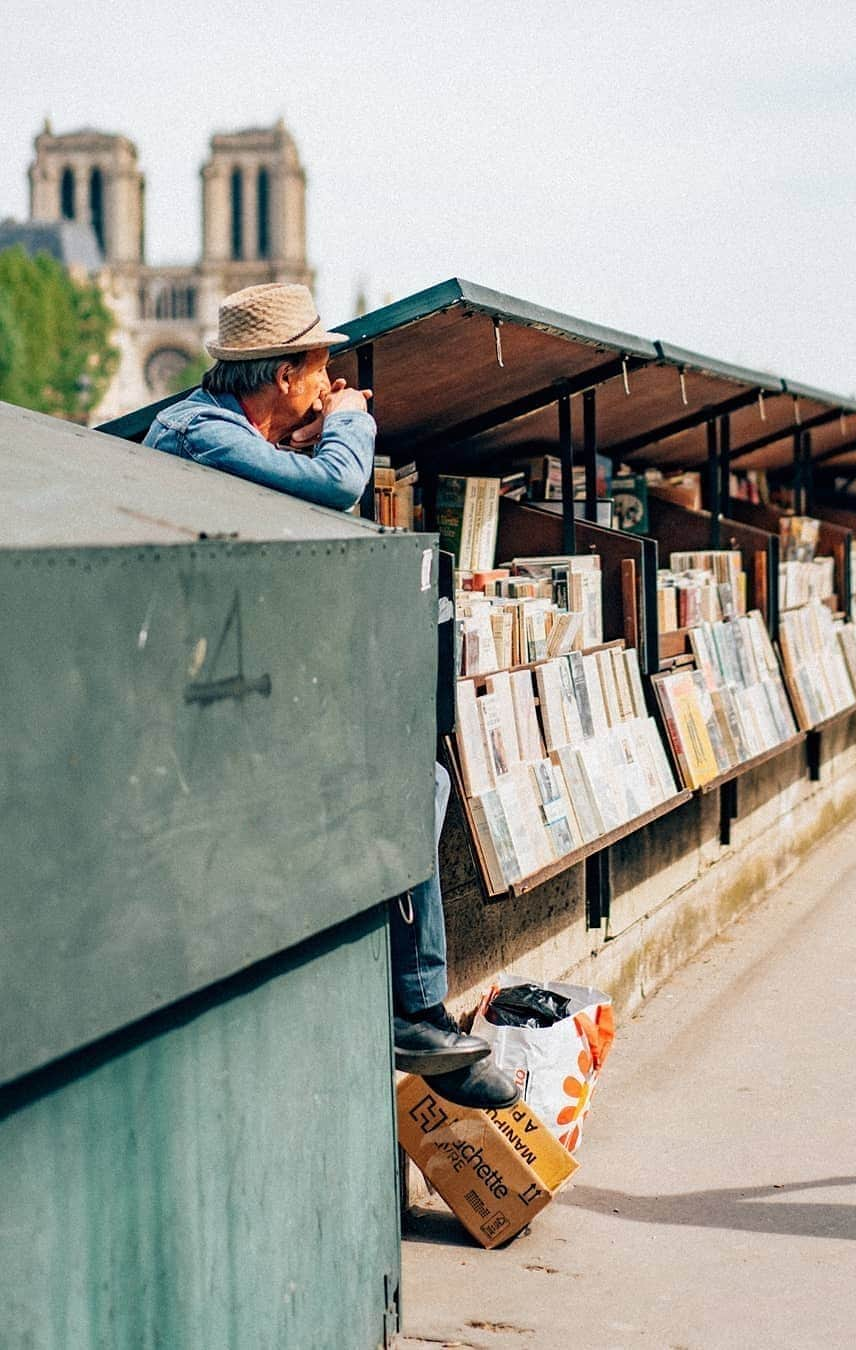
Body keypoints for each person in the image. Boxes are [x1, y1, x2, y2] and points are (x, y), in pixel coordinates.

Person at [145, 282, 515, 1110]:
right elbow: (338, 486)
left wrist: (305, 430)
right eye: (319, 369)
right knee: (407, 783)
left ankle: (419, 1006)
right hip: (192, 717)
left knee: (420, 777)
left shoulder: (226, 430)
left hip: (229, 690)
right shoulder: (198, 435)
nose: (328, 385)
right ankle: (415, 1011)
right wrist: (348, 427)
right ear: (280, 375)